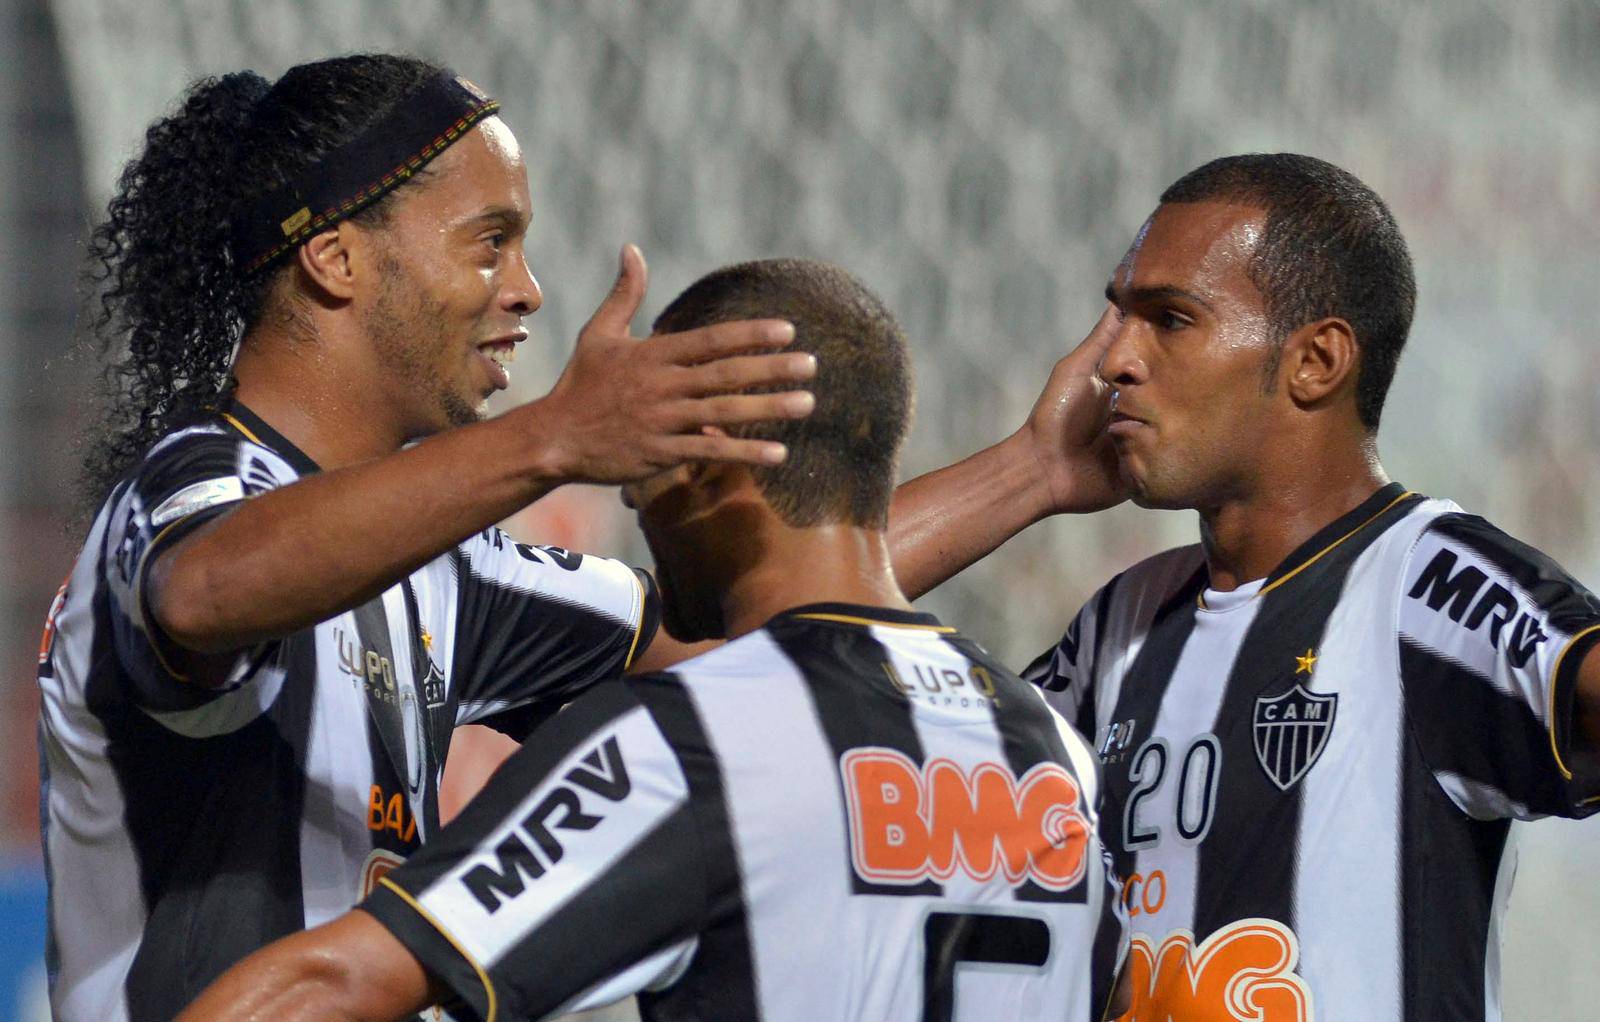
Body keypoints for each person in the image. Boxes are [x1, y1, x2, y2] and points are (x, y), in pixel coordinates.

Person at [37, 54, 820, 1021]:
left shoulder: (446, 571)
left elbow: (786, 609)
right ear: (337, 259)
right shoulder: (191, 484)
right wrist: (554, 438)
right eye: (490, 243)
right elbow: (206, 591)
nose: (527, 290)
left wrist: (1036, 472)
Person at [178, 258, 1129, 1022]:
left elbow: (331, 988)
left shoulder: (686, 746)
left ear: (709, 464)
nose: (633, 498)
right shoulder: (1052, 749)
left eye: (649, 465)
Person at [888, 153, 1600, 1020]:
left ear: (1317, 362)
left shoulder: (1422, 584)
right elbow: (793, 653)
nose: (1110, 360)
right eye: (1117, 317)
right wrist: (1030, 469)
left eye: (1170, 319)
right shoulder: (1124, 621)